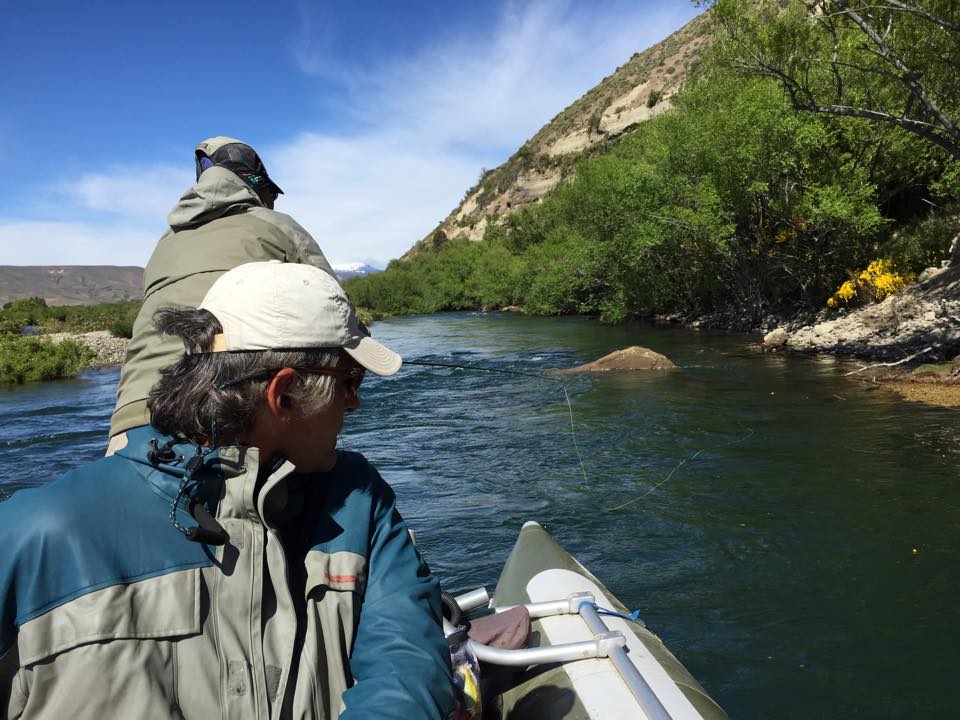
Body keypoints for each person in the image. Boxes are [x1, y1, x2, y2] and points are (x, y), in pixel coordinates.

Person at [0, 261, 454, 719]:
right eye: (349, 383)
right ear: (285, 393)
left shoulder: (361, 499)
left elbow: (407, 663)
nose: (354, 404)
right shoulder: (33, 536)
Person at [108, 136, 336, 454]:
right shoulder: (278, 225)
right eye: (270, 194)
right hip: (235, 415)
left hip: (130, 427)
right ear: (252, 183)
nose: (272, 203)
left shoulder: (163, 243)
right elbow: (334, 312)